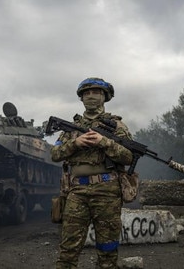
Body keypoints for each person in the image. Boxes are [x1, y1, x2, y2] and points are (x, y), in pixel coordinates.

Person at [51, 77, 133, 269]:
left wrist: (103, 142)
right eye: (86, 93)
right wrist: (75, 143)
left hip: (107, 191)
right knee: (68, 249)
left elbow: (129, 157)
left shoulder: (116, 126)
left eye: (96, 92)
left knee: (107, 250)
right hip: (77, 191)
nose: (91, 97)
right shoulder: (70, 128)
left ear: (104, 97)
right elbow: (54, 154)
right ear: (81, 98)